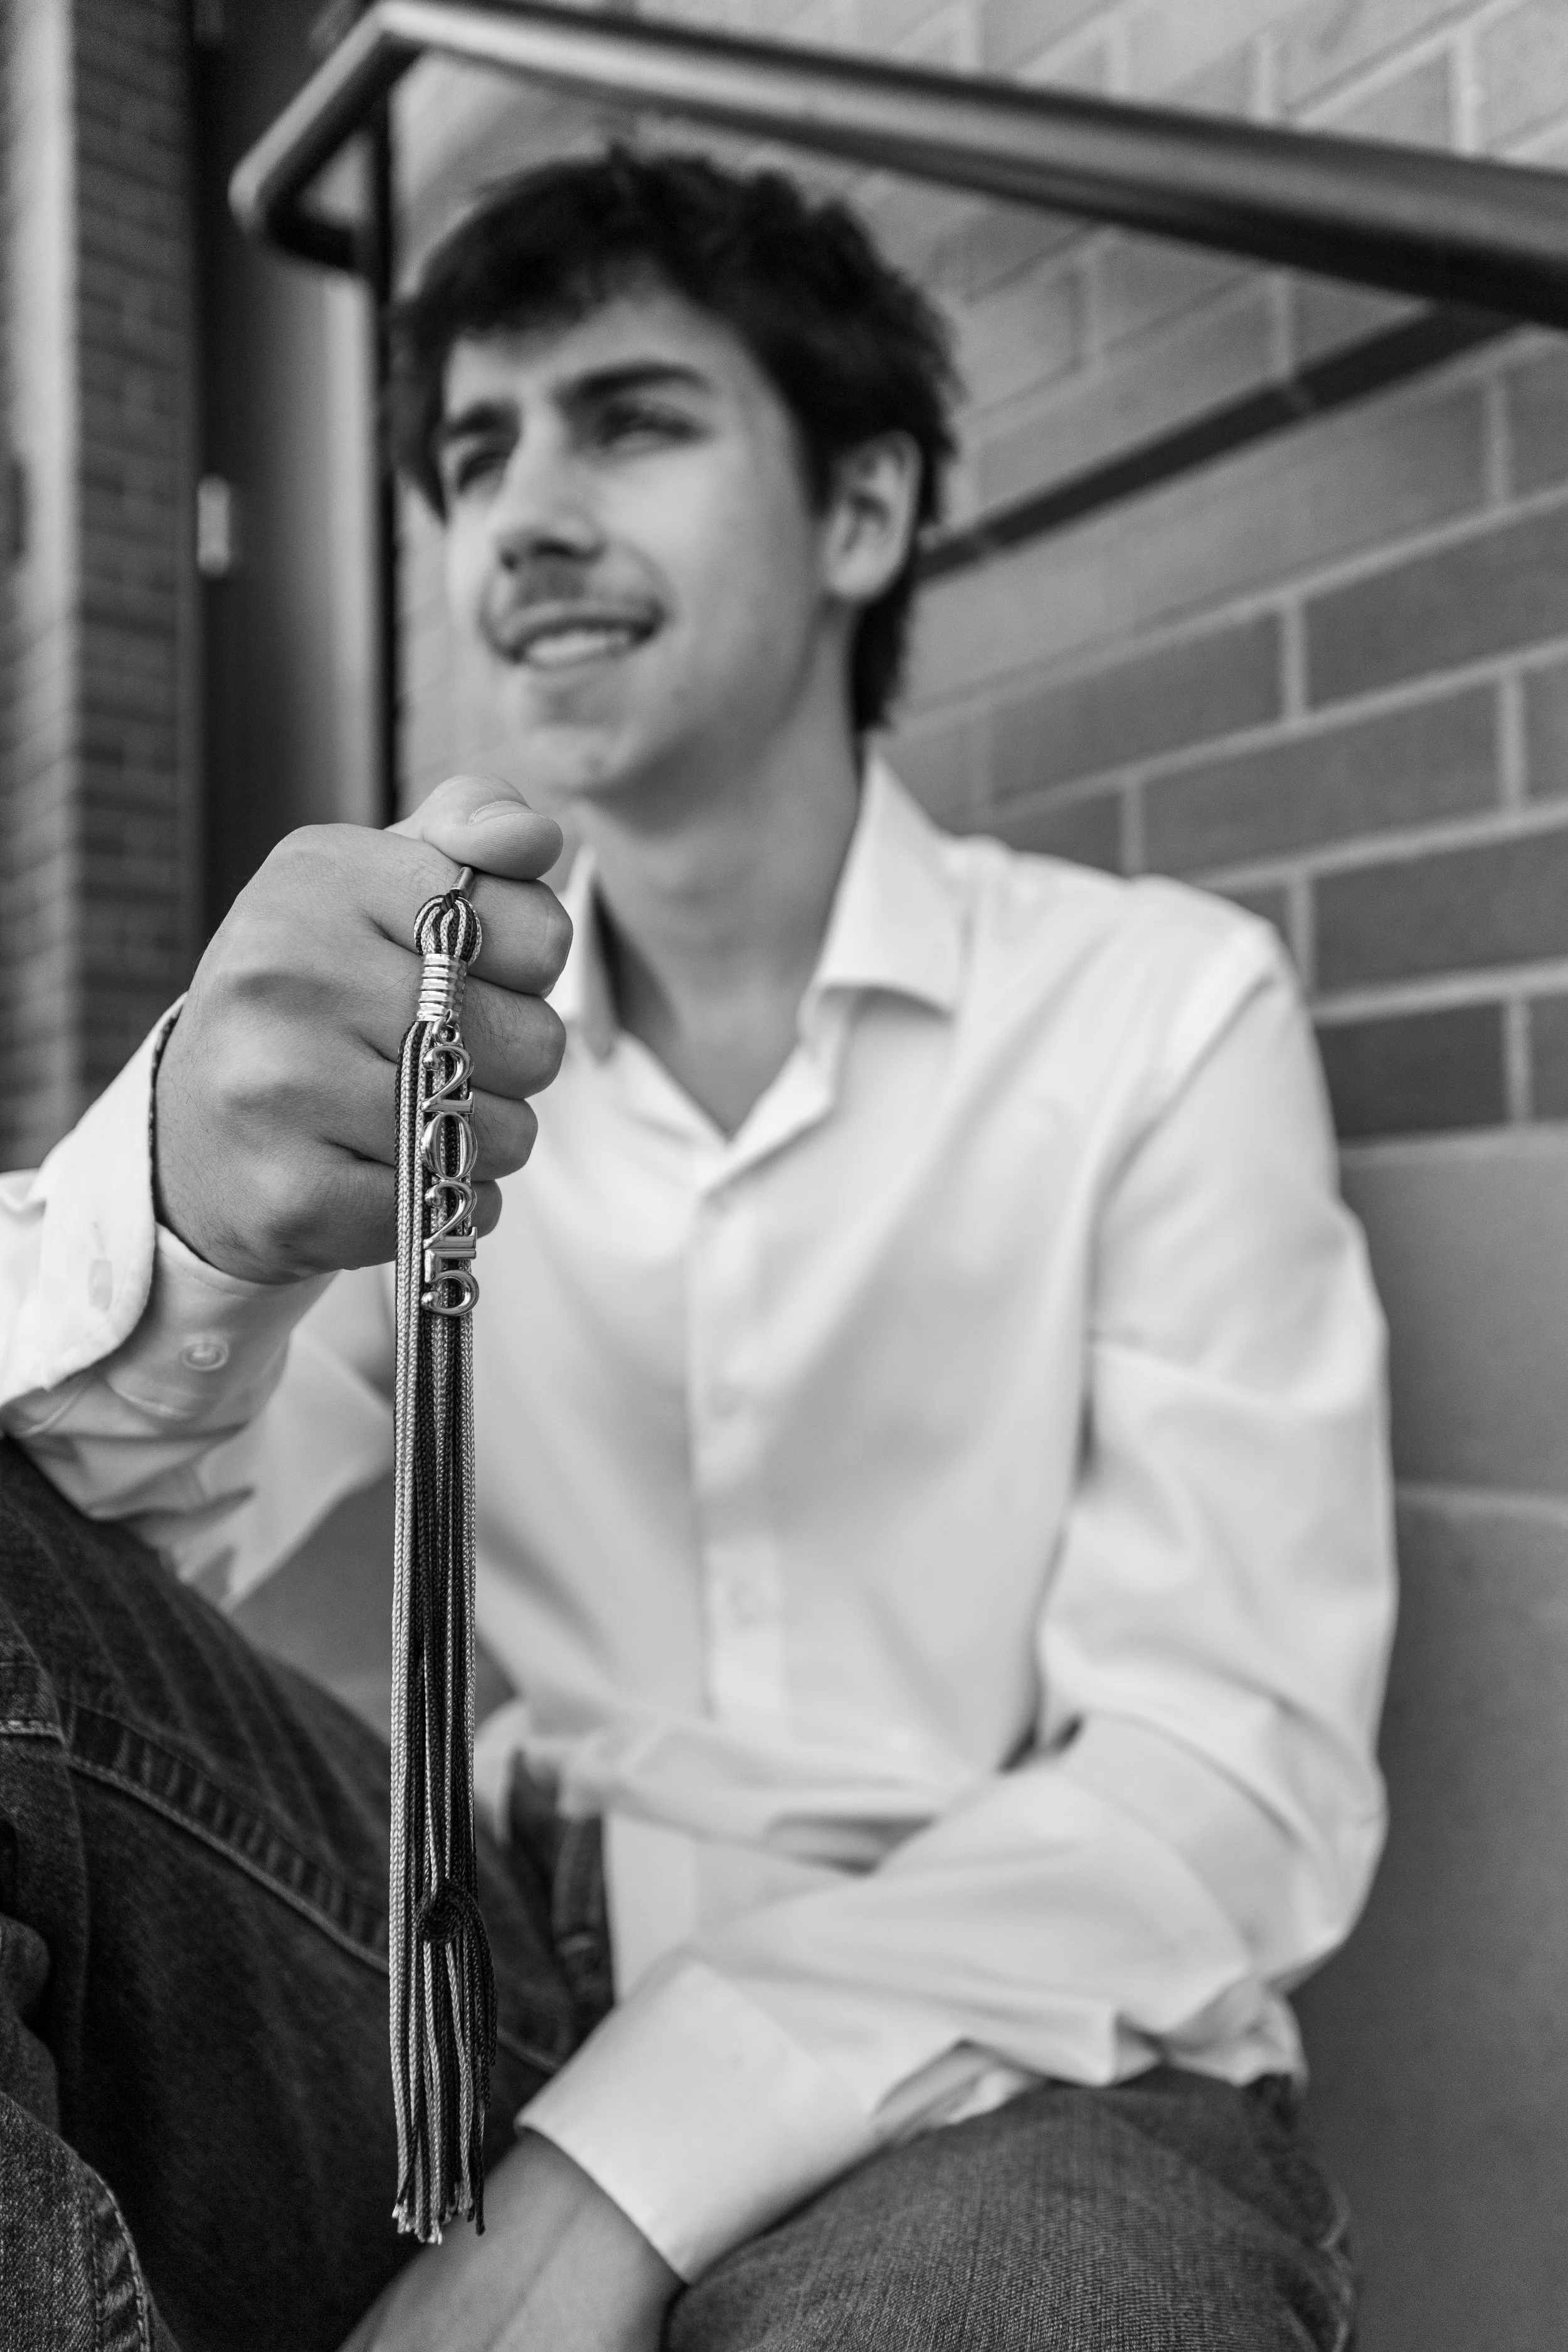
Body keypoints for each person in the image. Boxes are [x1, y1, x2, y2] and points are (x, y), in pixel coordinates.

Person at [0, 149, 1394, 2351]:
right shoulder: (425, 1047)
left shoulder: (1153, 1007)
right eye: (476, 452)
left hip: (1008, 2035)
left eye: (628, 420)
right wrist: (174, 1200)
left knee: (1022, 2314)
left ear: (861, 511)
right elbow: (70, 1548)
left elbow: (1216, 1789)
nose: (520, 513)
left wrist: (585, 2193)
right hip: (448, 1972)